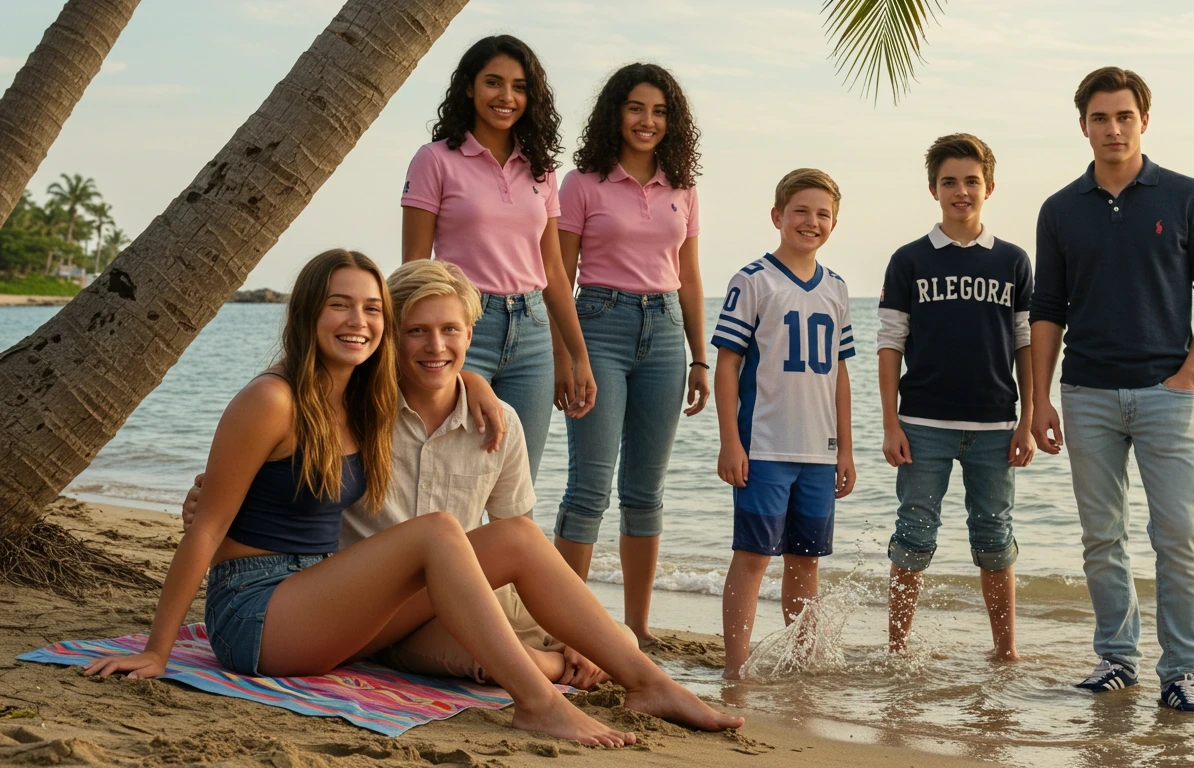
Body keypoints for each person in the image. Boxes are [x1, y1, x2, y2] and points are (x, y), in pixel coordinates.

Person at [83, 249, 743, 746]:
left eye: (372, 309)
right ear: (310, 311)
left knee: (515, 536)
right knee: (437, 531)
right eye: (342, 305)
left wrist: (479, 386)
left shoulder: (360, 397)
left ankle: (648, 682)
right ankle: (537, 701)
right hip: (257, 615)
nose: (359, 321)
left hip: (323, 599)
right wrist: (157, 649)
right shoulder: (272, 398)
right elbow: (207, 528)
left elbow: (440, 365)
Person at [180, 259, 620, 689]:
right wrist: (213, 502)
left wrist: (473, 381)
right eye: (415, 331)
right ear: (391, 338)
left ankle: (634, 676)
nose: (435, 346)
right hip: (356, 609)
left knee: (605, 636)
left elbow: (512, 542)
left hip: (454, 590)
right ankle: (549, 682)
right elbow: (264, 463)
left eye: (450, 330)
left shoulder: (497, 420)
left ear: (470, 333)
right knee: (487, 652)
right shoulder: (354, 408)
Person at [1028, 67, 1194, 714]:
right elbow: (1047, 309)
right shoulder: (1060, 209)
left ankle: (1182, 671)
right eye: (1099, 118)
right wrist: (1038, 400)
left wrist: (1189, 375)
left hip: (1165, 395)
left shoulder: (1185, 195)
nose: (1112, 129)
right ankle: (1117, 659)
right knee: (1102, 538)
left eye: (1123, 116)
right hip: (1087, 393)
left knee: (1177, 535)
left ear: (1144, 120)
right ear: (1083, 124)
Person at [551, 63, 709, 647]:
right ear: (616, 112)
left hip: (666, 332)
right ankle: (570, 629)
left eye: (660, 111)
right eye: (637, 108)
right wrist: (568, 357)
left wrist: (699, 357)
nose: (648, 121)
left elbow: (690, 278)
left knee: (646, 492)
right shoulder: (582, 183)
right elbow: (558, 276)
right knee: (589, 487)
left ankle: (637, 628)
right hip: (598, 326)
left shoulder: (683, 186)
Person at [401, 34, 595, 480]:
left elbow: (553, 271)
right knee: (453, 476)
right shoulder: (434, 160)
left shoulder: (541, 169)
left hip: (532, 335)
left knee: (517, 483)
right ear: (469, 87)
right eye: (494, 82)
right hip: (463, 330)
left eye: (520, 86)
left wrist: (575, 356)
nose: (506, 97)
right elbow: (414, 266)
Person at [877, 133, 1036, 659]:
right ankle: (898, 649)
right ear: (933, 189)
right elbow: (889, 345)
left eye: (971, 181)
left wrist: (1028, 418)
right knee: (914, 534)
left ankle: (1006, 650)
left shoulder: (1013, 261)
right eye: (949, 182)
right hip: (922, 422)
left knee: (995, 538)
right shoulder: (908, 260)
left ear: (990, 187)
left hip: (995, 424)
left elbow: (1026, 345)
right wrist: (890, 423)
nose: (961, 191)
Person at [712, 169, 856, 679]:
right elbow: (727, 364)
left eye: (822, 214)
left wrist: (846, 450)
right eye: (800, 211)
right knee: (753, 556)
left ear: (834, 223)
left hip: (818, 452)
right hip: (765, 446)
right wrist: (730, 441)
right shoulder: (753, 281)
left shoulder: (837, 289)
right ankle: (736, 665)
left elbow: (840, 374)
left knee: (806, 561)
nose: (810, 222)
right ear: (777, 216)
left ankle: (801, 660)